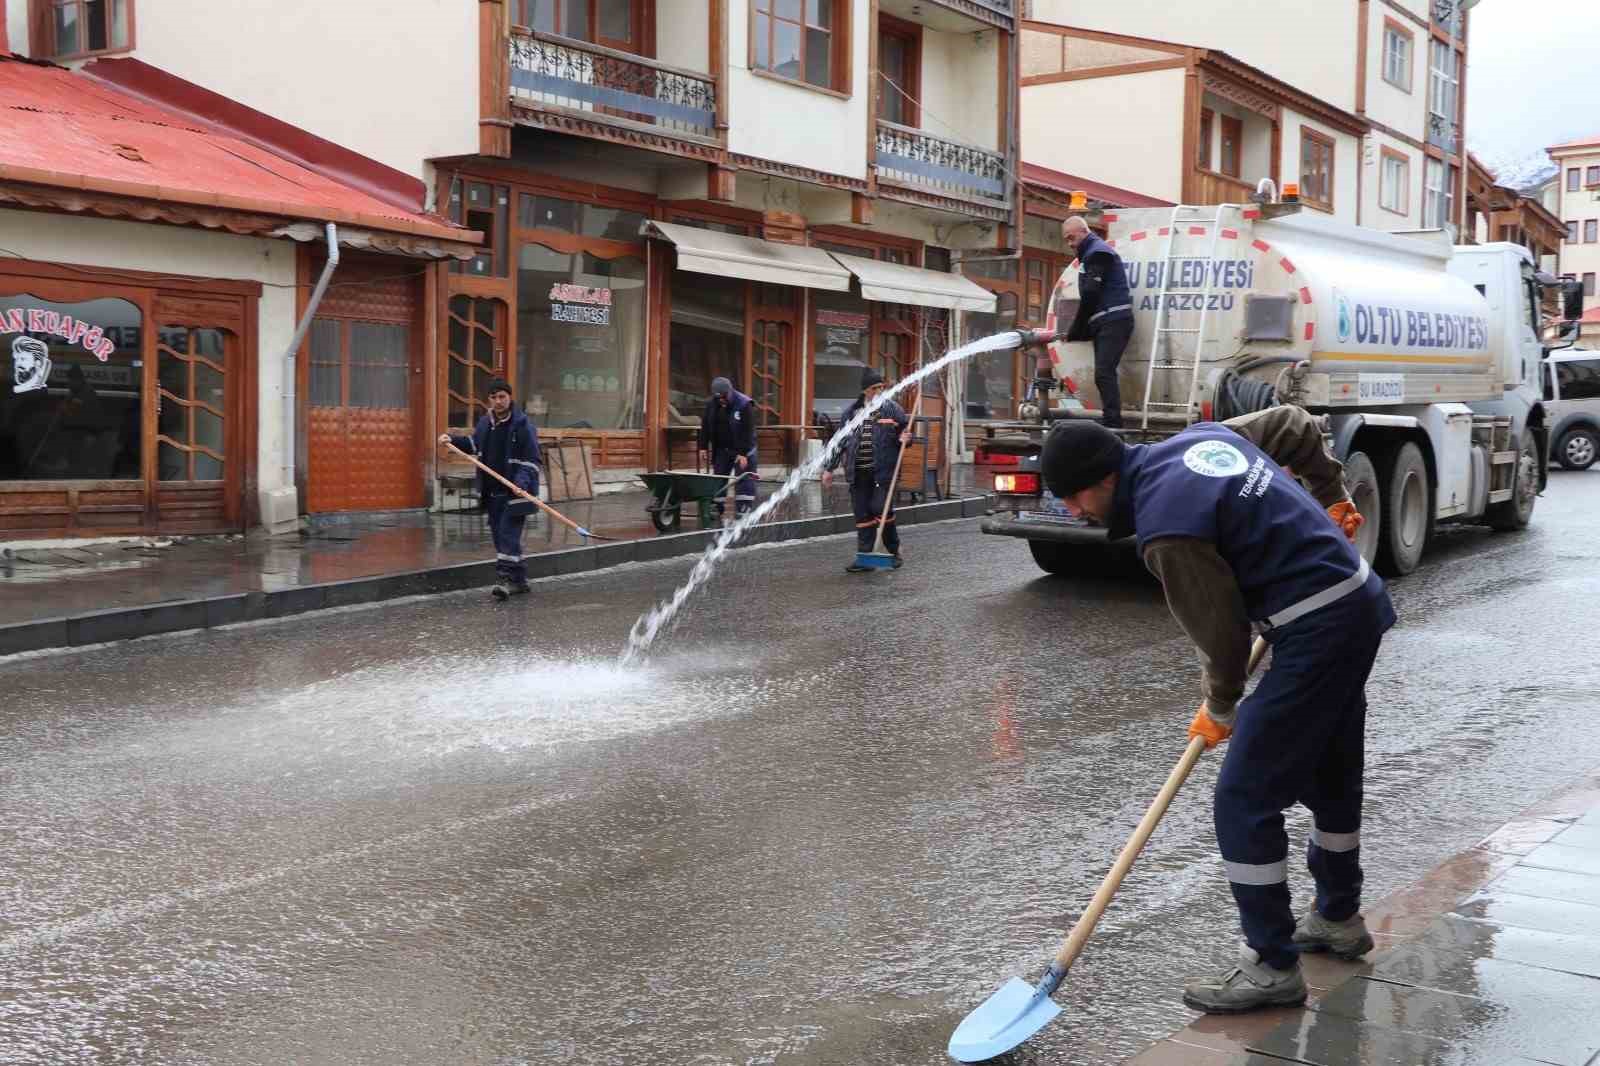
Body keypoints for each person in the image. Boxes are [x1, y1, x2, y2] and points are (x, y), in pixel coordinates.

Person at [1040, 405, 1391, 1013]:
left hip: (1320, 625)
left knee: (1244, 798)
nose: (1073, 512)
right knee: (1330, 771)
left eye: (1073, 498)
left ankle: (1272, 965)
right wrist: (1330, 494)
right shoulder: (1199, 439)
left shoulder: (1166, 530)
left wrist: (1221, 705)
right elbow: (1293, 423)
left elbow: (1222, 632)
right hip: (1354, 598)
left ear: (1102, 480)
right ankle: (1338, 917)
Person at [438, 378, 541, 601]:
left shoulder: (523, 425)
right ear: (489, 400)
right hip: (491, 491)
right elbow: (475, 444)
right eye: (494, 397)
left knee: (507, 535)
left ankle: (506, 579)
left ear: (509, 397)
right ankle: (520, 580)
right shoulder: (486, 423)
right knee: (499, 536)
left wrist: (520, 482)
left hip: (516, 491)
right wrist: (452, 441)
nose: (498, 401)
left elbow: (532, 460)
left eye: (502, 396)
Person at [821, 368, 911, 573]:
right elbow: (838, 443)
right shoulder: (851, 413)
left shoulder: (892, 409)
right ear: (865, 391)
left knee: (880, 508)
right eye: (874, 388)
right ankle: (865, 557)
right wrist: (829, 469)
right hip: (857, 472)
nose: (879, 391)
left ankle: (894, 551)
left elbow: (904, 433)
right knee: (862, 513)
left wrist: (906, 438)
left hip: (883, 471)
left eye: (881, 387)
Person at [1062, 216, 1133, 429]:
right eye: (1066, 240)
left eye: (1071, 237)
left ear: (1084, 231)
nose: (1070, 244)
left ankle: (1113, 425)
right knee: (1103, 374)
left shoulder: (1098, 253)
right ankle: (1111, 421)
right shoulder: (1090, 254)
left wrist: (1076, 329)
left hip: (1114, 320)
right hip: (1107, 321)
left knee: (1104, 373)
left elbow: (1091, 294)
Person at [697, 376, 758, 518]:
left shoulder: (744, 404)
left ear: (730, 392)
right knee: (719, 477)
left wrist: (743, 453)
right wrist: (703, 447)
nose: (722, 401)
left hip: (743, 449)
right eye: (719, 398)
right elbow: (705, 426)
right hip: (722, 449)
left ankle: (744, 509)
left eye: (724, 398)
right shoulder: (711, 404)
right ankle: (716, 507)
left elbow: (748, 431)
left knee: (744, 478)